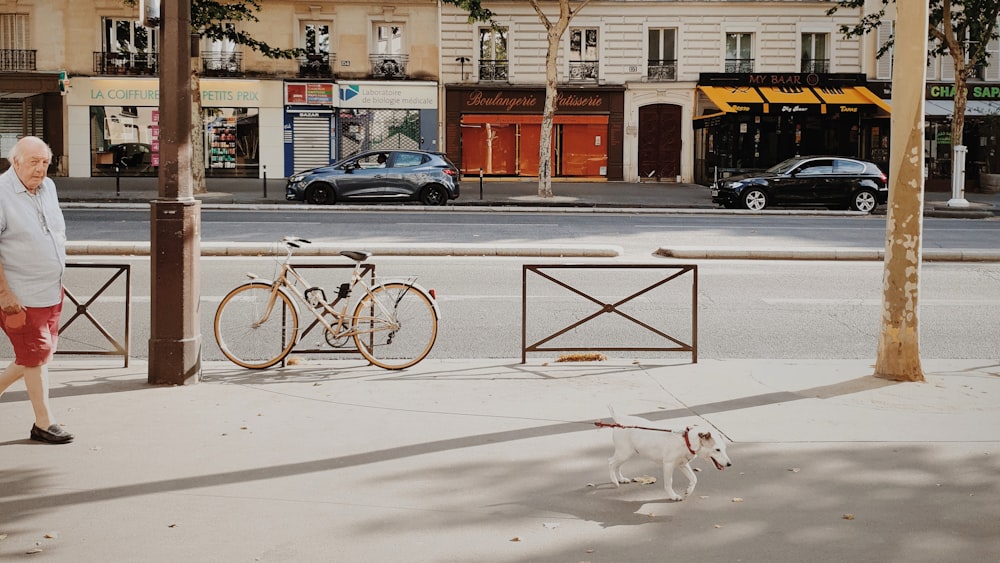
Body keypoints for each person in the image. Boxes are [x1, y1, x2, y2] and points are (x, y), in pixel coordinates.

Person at [0, 136, 72, 444]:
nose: (41, 169)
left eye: (45, 163)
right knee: (36, 354)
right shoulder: (1, 194)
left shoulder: (49, 188)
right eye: (33, 162)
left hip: (51, 290)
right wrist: (5, 294)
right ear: (15, 162)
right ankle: (44, 422)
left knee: (39, 355)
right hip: (20, 295)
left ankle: (43, 422)